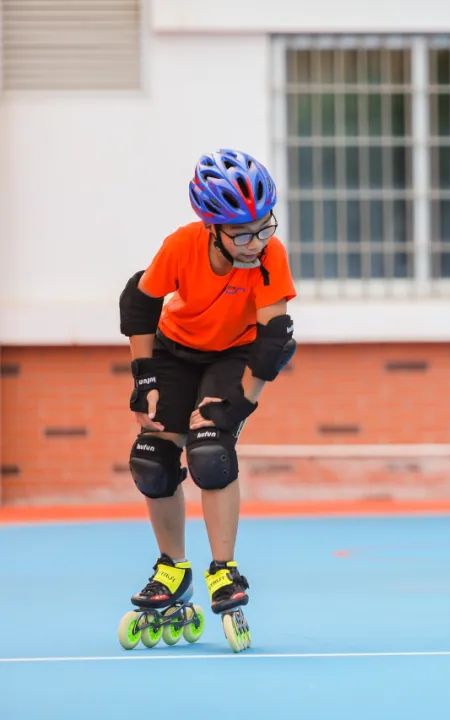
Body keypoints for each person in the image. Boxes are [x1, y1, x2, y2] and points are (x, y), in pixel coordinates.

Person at [117, 148, 296, 650]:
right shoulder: (182, 246)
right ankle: (173, 569)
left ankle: (223, 568)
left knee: (211, 452)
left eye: (265, 227)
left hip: (233, 355)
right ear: (212, 226)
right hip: (175, 352)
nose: (257, 242)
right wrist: (144, 377)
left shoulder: (268, 256)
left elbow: (274, 338)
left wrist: (242, 403)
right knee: (151, 460)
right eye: (242, 233)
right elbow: (140, 303)